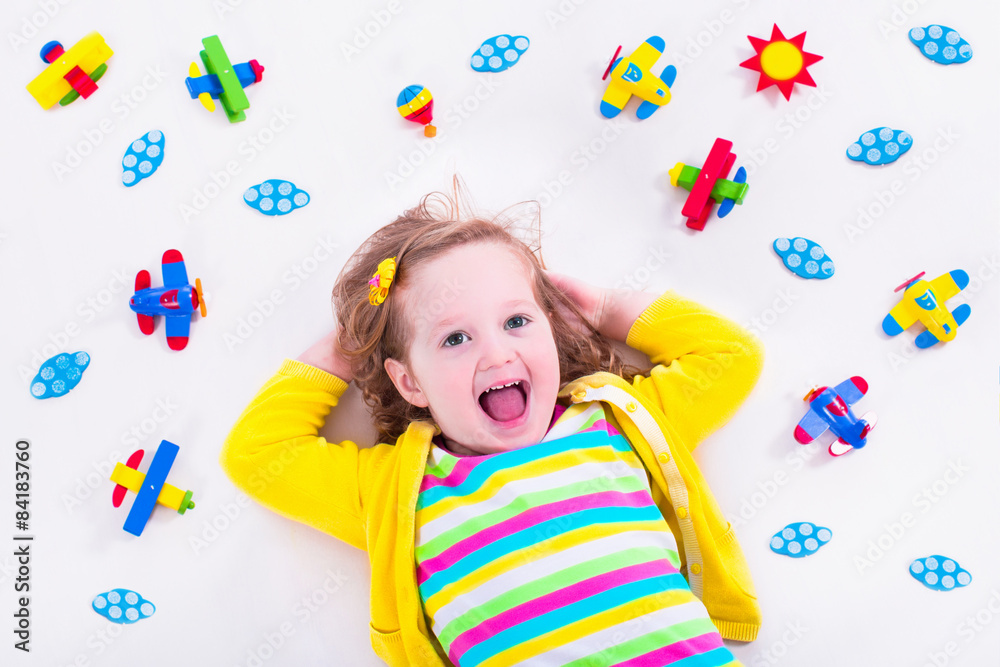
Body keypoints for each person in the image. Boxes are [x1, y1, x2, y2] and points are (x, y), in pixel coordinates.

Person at [221, 188, 764, 666]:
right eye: (455, 339)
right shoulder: (392, 490)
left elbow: (730, 355)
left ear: (551, 330)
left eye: (517, 321)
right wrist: (339, 355)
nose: (497, 352)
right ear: (409, 382)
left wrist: (606, 309)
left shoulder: (620, 421)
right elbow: (259, 453)